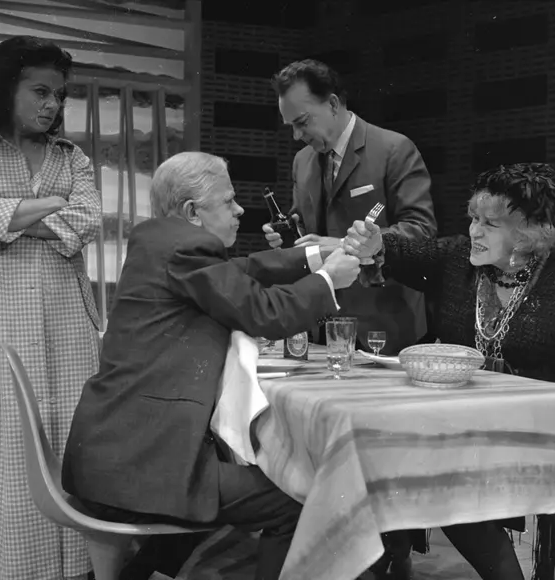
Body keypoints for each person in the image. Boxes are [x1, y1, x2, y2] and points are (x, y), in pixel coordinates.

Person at [61, 151, 361, 580]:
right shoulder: (184, 249)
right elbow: (264, 313)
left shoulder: (159, 242)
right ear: (192, 212)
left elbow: (244, 269)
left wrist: (314, 255)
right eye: (228, 201)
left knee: (224, 486)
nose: (240, 210)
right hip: (139, 465)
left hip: (114, 456)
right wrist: (328, 281)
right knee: (301, 500)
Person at [344, 162, 555, 580]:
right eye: (473, 218)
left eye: (490, 224)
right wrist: (376, 243)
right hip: (456, 431)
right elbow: (403, 252)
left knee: (439, 476)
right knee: (410, 462)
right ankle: (387, 555)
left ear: (527, 234)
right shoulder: (456, 261)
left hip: (528, 436)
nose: (474, 231)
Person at [0, 36, 102, 580]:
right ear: (6, 88)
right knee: (7, 445)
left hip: (68, 320)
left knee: (71, 438)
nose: (52, 104)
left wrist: (13, 216)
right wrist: (52, 204)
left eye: (59, 94)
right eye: (40, 91)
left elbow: (87, 221)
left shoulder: (73, 158)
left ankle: (76, 569)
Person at [263, 59, 437, 354]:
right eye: (291, 126)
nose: (296, 136)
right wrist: (288, 233)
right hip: (320, 324)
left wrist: (344, 244)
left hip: (384, 324)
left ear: (333, 104)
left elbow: (421, 233)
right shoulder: (302, 161)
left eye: (302, 122)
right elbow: (305, 225)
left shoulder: (394, 149)